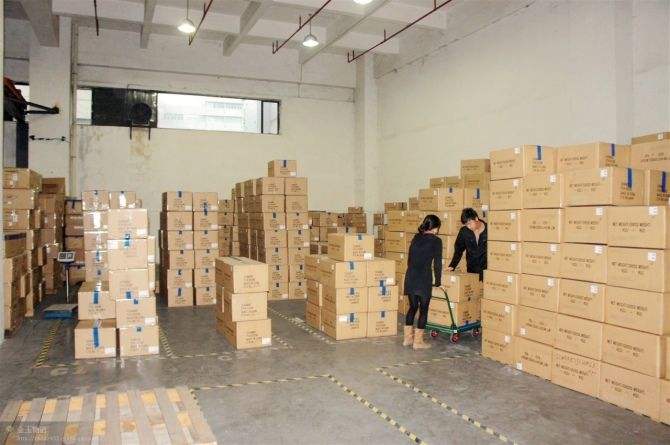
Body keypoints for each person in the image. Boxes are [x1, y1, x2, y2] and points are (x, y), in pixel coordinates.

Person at [403, 214, 443, 350]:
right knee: (423, 310)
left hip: (411, 276)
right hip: (423, 278)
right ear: (435, 227)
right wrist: (438, 282)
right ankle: (418, 342)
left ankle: (408, 339)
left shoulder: (416, 237)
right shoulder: (436, 241)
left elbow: (409, 260)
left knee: (412, 307)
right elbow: (437, 264)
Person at [447, 208, 487, 280]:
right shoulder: (464, 232)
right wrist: (452, 265)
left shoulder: (489, 230)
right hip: (471, 271)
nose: (469, 227)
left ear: (476, 218)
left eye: (470, 223)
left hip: (487, 272)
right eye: (466, 225)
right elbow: (458, 250)